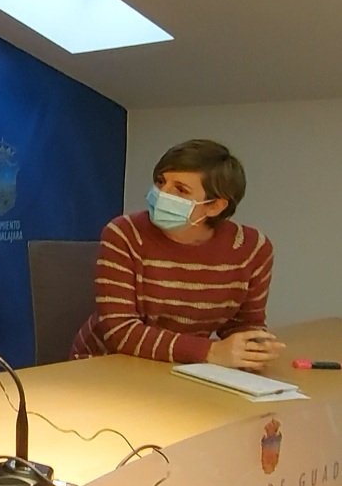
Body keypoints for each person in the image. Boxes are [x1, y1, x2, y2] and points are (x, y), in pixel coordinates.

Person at [69, 138, 284, 370]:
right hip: (105, 365)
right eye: (161, 182)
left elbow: (244, 324)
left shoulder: (252, 249)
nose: (162, 193)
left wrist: (253, 349)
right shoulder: (124, 233)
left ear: (215, 206)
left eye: (180, 189)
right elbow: (120, 331)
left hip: (183, 367)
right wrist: (209, 351)